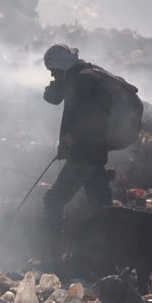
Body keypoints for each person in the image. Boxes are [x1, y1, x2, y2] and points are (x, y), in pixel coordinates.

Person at [41, 44, 117, 262]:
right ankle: (110, 257)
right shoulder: (77, 77)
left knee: (53, 201)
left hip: (85, 156)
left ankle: (55, 257)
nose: (53, 75)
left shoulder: (84, 80)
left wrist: (72, 138)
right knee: (102, 211)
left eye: (54, 71)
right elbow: (54, 99)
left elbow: (96, 118)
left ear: (63, 66)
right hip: (94, 156)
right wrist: (56, 85)